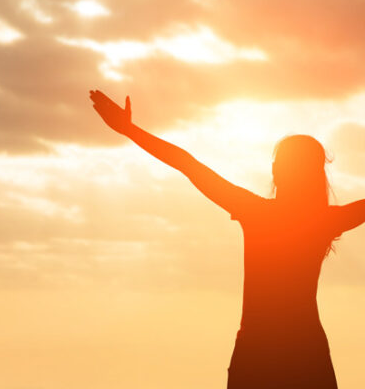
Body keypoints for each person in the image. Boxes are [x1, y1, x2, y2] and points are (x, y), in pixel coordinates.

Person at [89, 90, 365, 389]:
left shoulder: (256, 212)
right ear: (316, 175)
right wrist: (129, 129)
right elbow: (187, 164)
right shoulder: (324, 221)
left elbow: (187, 164)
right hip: (304, 352)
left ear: (277, 171)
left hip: (256, 353)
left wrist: (129, 130)